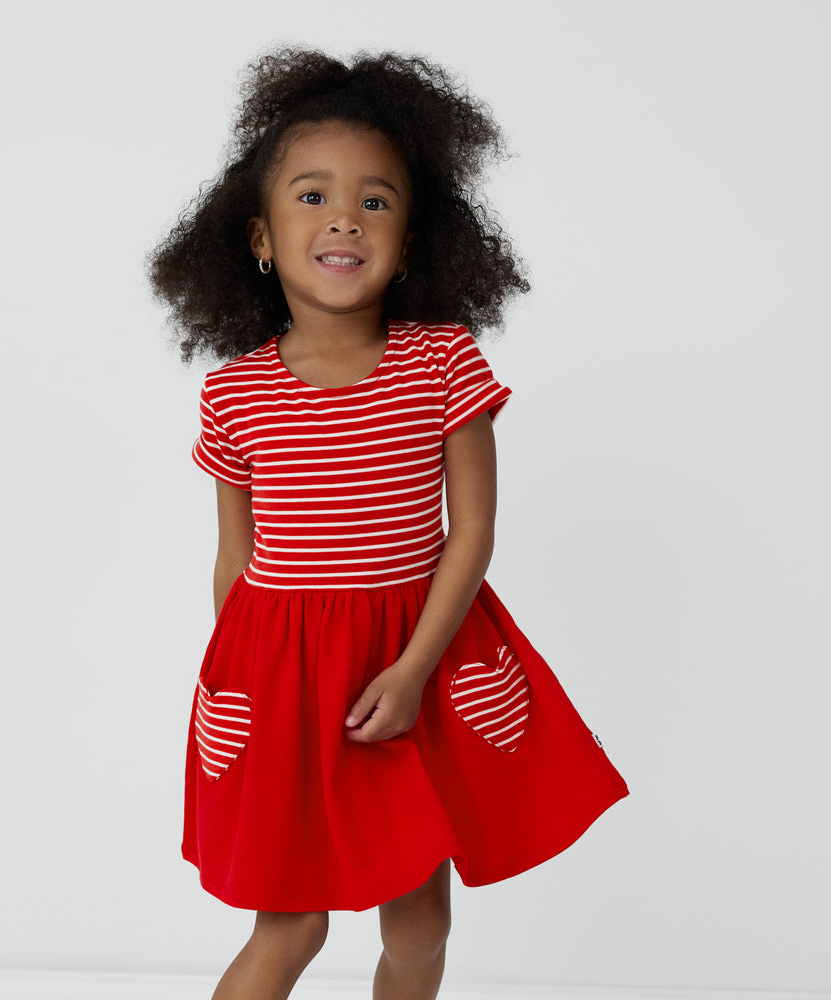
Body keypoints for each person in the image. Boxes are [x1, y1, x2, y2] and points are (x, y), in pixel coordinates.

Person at [146, 46, 630, 1000]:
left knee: (420, 918)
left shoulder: (442, 362)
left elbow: (473, 532)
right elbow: (235, 557)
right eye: (312, 196)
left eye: (376, 201)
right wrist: (254, 694)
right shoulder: (236, 392)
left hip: (412, 658)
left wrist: (411, 671)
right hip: (282, 675)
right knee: (290, 924)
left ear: (411, 241)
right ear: (258, 236)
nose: (343, 219)